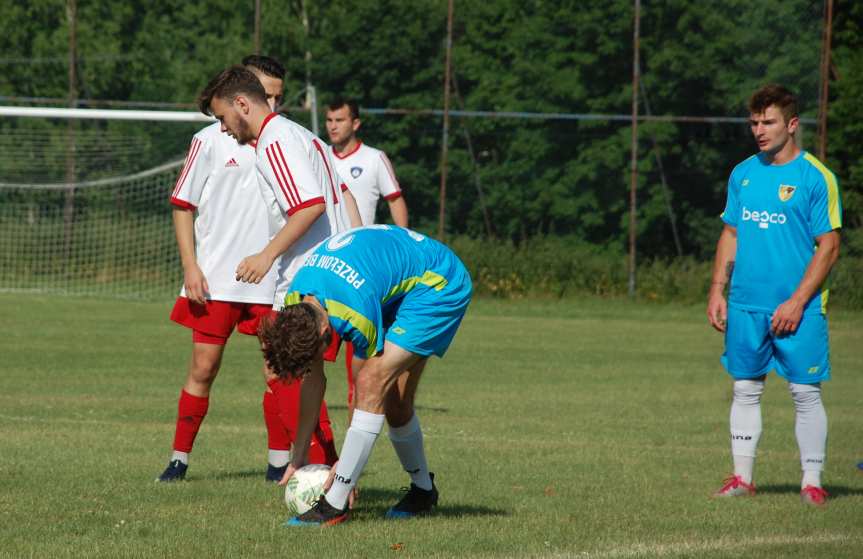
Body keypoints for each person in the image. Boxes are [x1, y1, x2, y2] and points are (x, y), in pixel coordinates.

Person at [158, 57, 339, 484]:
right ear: (246, 94)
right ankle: (180, 459)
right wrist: (191, 266)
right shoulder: (214, 139)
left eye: (279, 96)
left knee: (288, 370)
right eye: (267, 94)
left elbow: (315, 203)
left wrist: (269, 256)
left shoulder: (282, 139)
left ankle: (289, 465)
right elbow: (183, 205)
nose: (273, 103)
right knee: (206, 368)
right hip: (221, 275)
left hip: (277, 275)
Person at [259, 225, 472, 526]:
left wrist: (346, 467)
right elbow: (314, 378)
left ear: (323, 332)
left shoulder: (355, 313)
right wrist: (299, 454)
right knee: (395, 402)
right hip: (399, 285)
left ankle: (334, 505)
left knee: (373, 379)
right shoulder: (297, 297)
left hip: (438, 283)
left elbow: (362, 388)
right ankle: (423, 492)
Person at [707, 84, 842, 507]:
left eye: (768, 122)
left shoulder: (815, 177)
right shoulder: (743, 173)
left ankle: (812, 482)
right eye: (754, 122)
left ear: (792, 124)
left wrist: (797, 301)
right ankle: (742, 478)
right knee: (745, 389)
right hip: (747, 304)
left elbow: (829, 246)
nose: (759, 130)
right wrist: (717, 290)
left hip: (797, 309)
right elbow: (730, 233)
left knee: (805, 392)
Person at [325, 96, 409, 409]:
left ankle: (358, 412)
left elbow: (396, 200)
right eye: (330, 121)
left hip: (362, 267)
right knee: (313, 350)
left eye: (340, 120)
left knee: (360, 357)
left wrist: (401, 243)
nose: (333, 127)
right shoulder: (319, 156)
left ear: (355, 123)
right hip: (326, 264)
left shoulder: (374, 159)